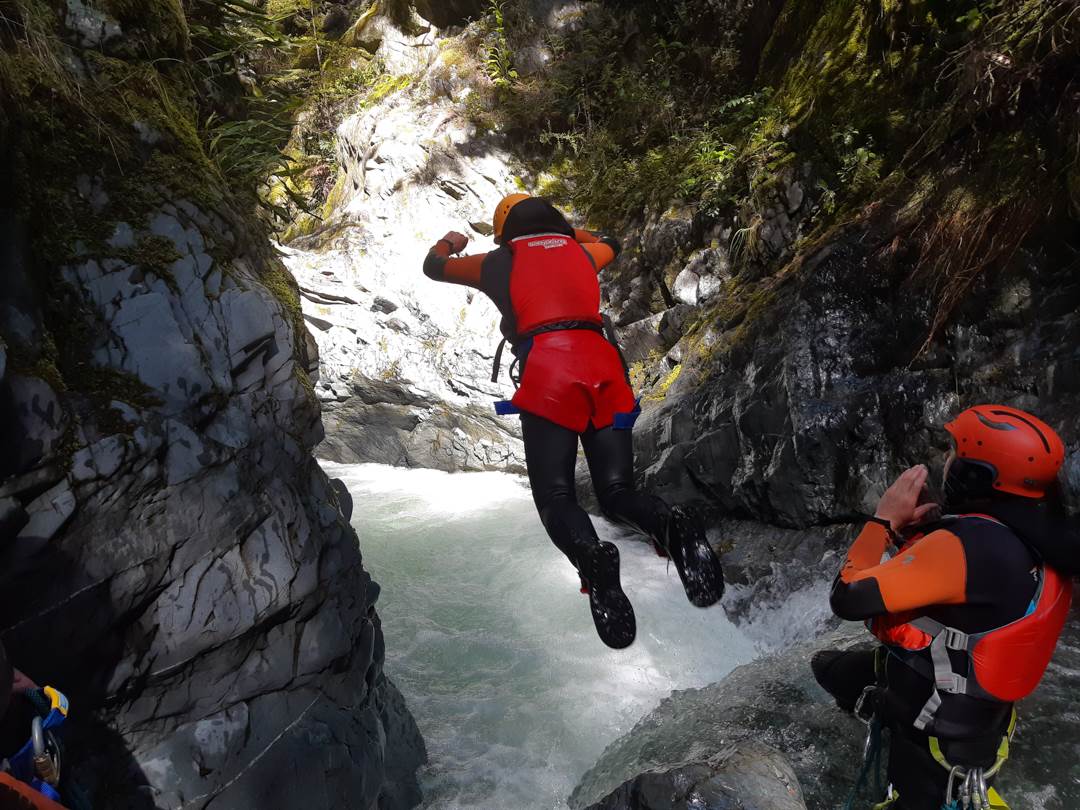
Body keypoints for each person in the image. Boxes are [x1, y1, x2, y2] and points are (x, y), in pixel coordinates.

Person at [423, 194, 724, 648]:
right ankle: (672, 526)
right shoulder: (583, 251)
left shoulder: (496, 261)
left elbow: (434, 266)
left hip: (550, 373)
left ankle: (591, 555)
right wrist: (569, 234)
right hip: (605, 367)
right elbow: (611, 241)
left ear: (503, 231)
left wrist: (451, 241)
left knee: (556, 497)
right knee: (618, 492)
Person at [813, 405, 1075, 809]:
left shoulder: (967, 546)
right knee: (830, 668)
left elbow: (846, 596)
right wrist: (916, 534)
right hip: (978, 725)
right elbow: (972, 598)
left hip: (933, 742)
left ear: (977, 475)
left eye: (954, 452)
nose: (947, 459)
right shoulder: (1039, 537)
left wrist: (882, 522)